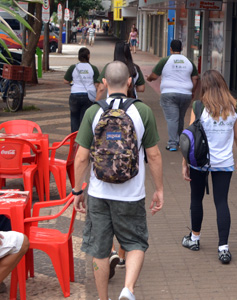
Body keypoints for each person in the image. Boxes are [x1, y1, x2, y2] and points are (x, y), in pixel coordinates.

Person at [73, 61, 164, 300]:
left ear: (104, 82)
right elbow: (153, 155)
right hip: (132, 194)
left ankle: (104, 298)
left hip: (99, 194)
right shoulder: (142, 111)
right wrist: (159, 189)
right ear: (130, 82)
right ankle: (128, 289)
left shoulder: (93, 112)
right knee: (134, 243)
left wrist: (76, 191)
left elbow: (81, 158)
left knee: (99, 250)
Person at [180, 70, 237, 265]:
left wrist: (185, 162)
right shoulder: (235, 107)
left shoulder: (199, 106)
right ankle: (223, 248)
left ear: (205, 87)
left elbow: (190, 137)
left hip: (200, 162)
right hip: (224, 163)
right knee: (221, 202)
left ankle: (194, 238)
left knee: (196, 199)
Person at [146, 40, 199, 151]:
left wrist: (149, 78)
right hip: (185, 94)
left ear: (170, 49)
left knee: (172, 119)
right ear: (181, 49)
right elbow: (195, 78)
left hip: (169, 93)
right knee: (180, 118)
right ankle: (179, 140)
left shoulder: (165, 60)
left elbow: (154, 76)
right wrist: (192, 90)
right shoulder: (188, 61)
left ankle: (172, 143)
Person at [63, 47, 100, 132]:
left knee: (74, 117)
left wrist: (73, 82)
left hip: (75, 94)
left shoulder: (73, 67)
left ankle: (74, 139)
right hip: (88, 96)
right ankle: (83, 140)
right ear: (88, 56)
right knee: (85, 119)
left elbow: (65, 81)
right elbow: (97, 84)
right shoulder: (93, 68)